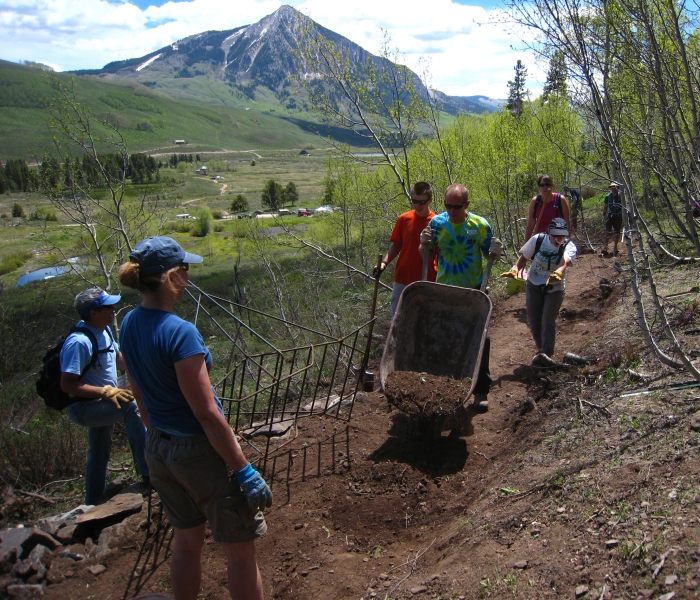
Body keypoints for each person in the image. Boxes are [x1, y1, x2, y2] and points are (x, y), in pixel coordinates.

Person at [118, 236, 270, 600]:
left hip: (159, 447)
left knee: (186, 540)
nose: (188, 277)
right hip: (198, 451)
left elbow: (135, 385)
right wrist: (243, 470)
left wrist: (152, 429)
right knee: (240, 551)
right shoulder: (179, 333)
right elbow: (206, 412)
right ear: (173, 277)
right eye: (184, 270)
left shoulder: (129, 322)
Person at [60, 288, 150, 506]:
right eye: (108, 307)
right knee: (132, 407)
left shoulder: (104, 331)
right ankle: (151, 475)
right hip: (84, 408)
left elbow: (118, 358)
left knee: (99, 450)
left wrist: (142, 373)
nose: (114, 310)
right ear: (93, 313)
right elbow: (67, 384)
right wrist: (106, 391)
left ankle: (92, 501)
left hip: (103, 402)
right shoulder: (79, 342)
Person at [418, 184, 503, 409]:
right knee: (443, 338)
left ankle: (481, 389)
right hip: (444, 291)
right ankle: (443, 387)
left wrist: (495, 250)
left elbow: (487, 252)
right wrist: (423, 244)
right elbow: (426, 251)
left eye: (457, 206)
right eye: (448, 206)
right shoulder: (437, 224)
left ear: (467, 204)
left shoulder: (480, 225)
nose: (452, 211)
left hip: (472, 292)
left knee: (481, 339)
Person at [503, 218, 577, 364]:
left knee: (547, 320)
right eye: (556, 235)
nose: (559, 238)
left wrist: (560, 270)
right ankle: (541, 350)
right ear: (549, 232)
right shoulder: (538, 240)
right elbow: (524, 257)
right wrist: (516, 269)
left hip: (554, 288)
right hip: (533, 285)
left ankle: (546, 353)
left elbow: (566, 260)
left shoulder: (569, 246)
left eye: (562, 235)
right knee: (534, 321)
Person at [373, 181, 437, 317]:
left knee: (425, 319)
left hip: (427, 279)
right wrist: (383, 263)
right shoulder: (404, 219)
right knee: (398, 318)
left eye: (422, 202)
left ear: (430, 200)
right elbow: (396, 245)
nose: (417, 205)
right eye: (415, 201)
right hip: (403, 278)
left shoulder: (437, 222)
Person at [525, 174, 571, 240]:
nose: (545, 187)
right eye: (542, 185)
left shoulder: (560, 199)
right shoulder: (535, 201)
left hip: (557, 238)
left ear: (552, 186)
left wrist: (567, 240)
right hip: (540, 239)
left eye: (548, 184)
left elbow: (567, 222)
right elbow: (530, 224)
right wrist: (526, 244)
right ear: (539, 187)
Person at [603, 182, 623, 257]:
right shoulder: (608, 197)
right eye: (612, 187)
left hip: (618, 216)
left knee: (617, 232)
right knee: (607, 231)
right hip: (610, 216)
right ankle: (605, 248)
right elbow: (605, 207)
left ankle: (615, 247)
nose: (613, 188)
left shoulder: (620, 196)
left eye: (614, 187)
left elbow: (624, 205)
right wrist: (604, 215)